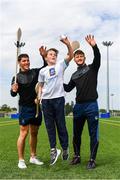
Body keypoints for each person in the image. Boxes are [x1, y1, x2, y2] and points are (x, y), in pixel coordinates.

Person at [64, 35, 101, 169]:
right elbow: (67, 88)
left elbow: (98, 58)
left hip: (91, 105)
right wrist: (57, 80)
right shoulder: (74, 75)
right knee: (76, 134)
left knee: (93, 134)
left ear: (84, 58)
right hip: (78, 107)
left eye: (81, 56)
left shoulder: (92, 68)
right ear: (74, 60)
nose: (79, 58)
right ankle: (77, 157)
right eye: (77, 57)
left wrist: (94, 46)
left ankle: (92, 159)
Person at [37, 36, 73, 165]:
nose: (53, 56)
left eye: (55, 54)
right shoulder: (42, 71)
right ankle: (53, 150)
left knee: (61, 125)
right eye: (50, 54)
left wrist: (68, 43)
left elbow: (71, 55)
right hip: (46, 101)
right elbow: (40, 85)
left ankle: (65, 148)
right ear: (46, 57)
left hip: (58, 100)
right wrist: (39, 97)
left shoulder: (60, 65)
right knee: (49, 126)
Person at [10, 50, 47, 169]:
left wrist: (43, 56)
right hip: (24, 108)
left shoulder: (35, 72)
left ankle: (33, 157)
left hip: (36, 107)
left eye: (28, 60)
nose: (27, 62)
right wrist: (13, 89)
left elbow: (45, 66)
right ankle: (21, 160)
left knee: (34, 133)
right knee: (24, 133)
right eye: (24, 61)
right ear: (19, 63)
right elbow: (13, 94)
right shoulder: (16, 77)